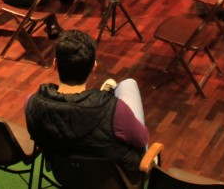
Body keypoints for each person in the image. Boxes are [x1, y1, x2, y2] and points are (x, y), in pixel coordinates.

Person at [25, 30, 148, 184]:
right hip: (115, 182)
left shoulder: (31, 103)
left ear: (55, 64)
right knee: (129, 84)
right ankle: (108, 92)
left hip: (65, 175)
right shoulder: (114, 109)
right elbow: (142, 139)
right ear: (93, 67)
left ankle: (106, 92)